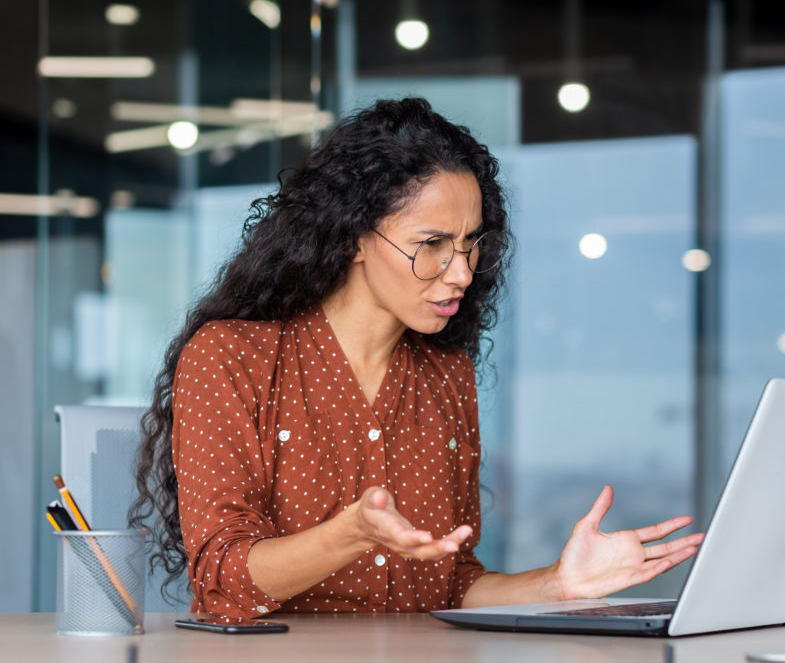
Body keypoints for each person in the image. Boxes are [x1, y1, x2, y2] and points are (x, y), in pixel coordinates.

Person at [131, 97, 703, 617]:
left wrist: (556, 584)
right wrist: (351, 533)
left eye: (470, 245)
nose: (460, 273)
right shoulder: (233, 356)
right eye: (430, 245)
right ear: (353, 235)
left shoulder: (445, 373)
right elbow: (224, 578)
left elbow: (451, 586)